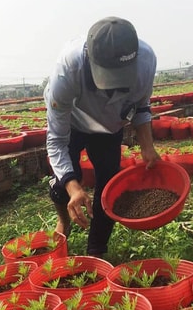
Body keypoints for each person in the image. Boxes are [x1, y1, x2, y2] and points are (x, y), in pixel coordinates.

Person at [44, 16, 161, 257]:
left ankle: (97, 248)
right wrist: (74, 187)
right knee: (62, 183)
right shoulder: (68, 68)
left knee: (109, 187)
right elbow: (56, 141)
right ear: (90, 59)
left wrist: (147, 146)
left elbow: (141, 105)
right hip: (73, 123)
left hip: (110, 127)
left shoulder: (147, 61)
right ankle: (64, 220)